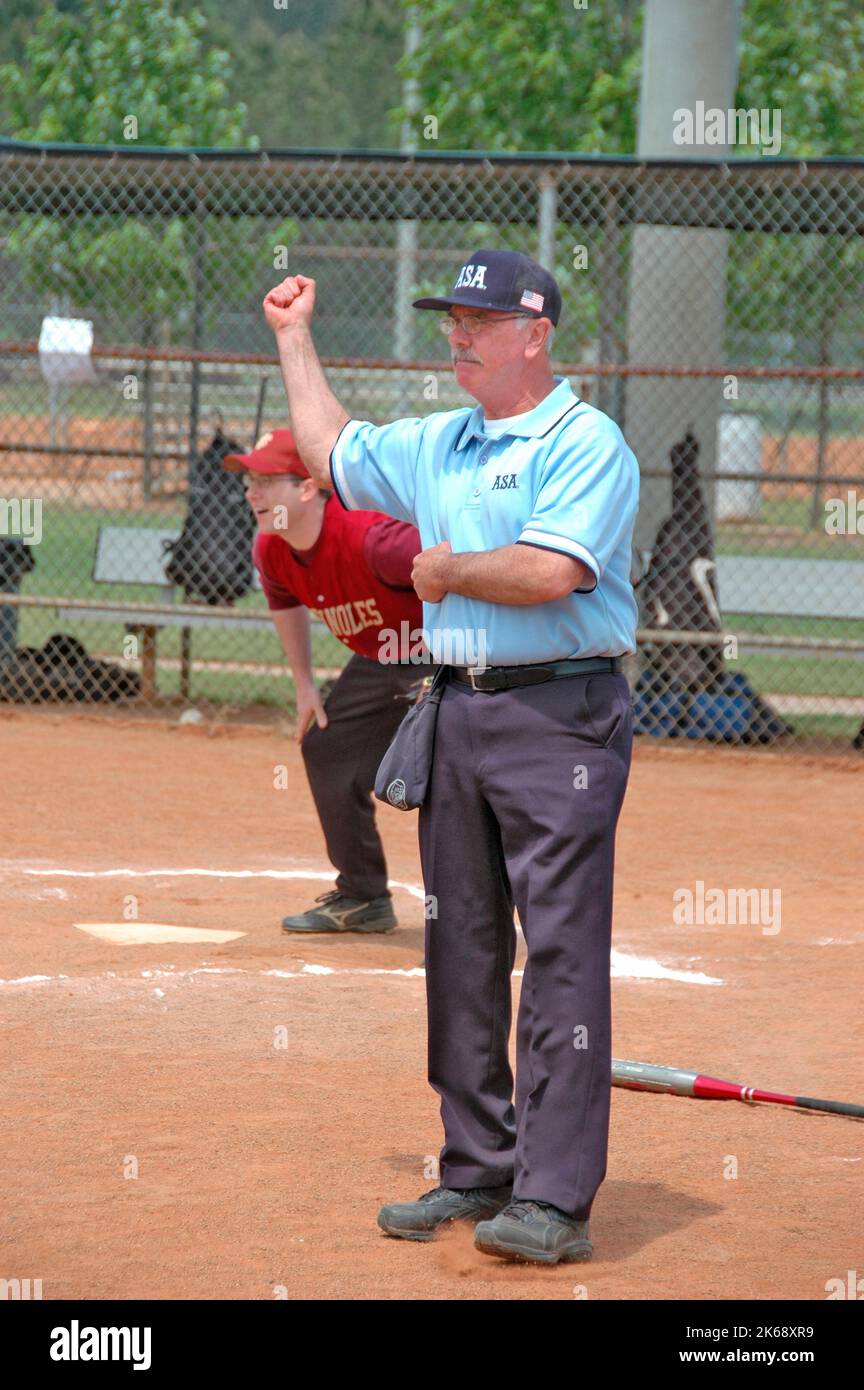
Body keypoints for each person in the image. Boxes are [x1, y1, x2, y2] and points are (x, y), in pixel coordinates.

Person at [261, 248, 640, 1265]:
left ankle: (554, 1196)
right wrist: (294, 336)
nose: (456, 335)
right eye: (452, 319)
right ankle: (479, 1164)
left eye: (478, 320)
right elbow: (330, 449)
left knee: (559, 951)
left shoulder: (585, 440)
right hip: (461, 707)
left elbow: (552, 572)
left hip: (561, 716)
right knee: (460, 941)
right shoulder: (442, 439)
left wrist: (444, 572)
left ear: (536, 334)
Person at [223, 427, 425, 933]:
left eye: (267, 481)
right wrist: (304, 685)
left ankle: (474, 911)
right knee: (327, 745)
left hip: (451, 648)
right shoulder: (272, 549)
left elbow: (461, 570)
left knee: (447, 769)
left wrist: (459, 668)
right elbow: (283, 600)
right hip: (386, 654)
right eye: (250, 482)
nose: (252, 494)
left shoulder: (374, 539)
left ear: (309, 486)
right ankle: (363, 898)